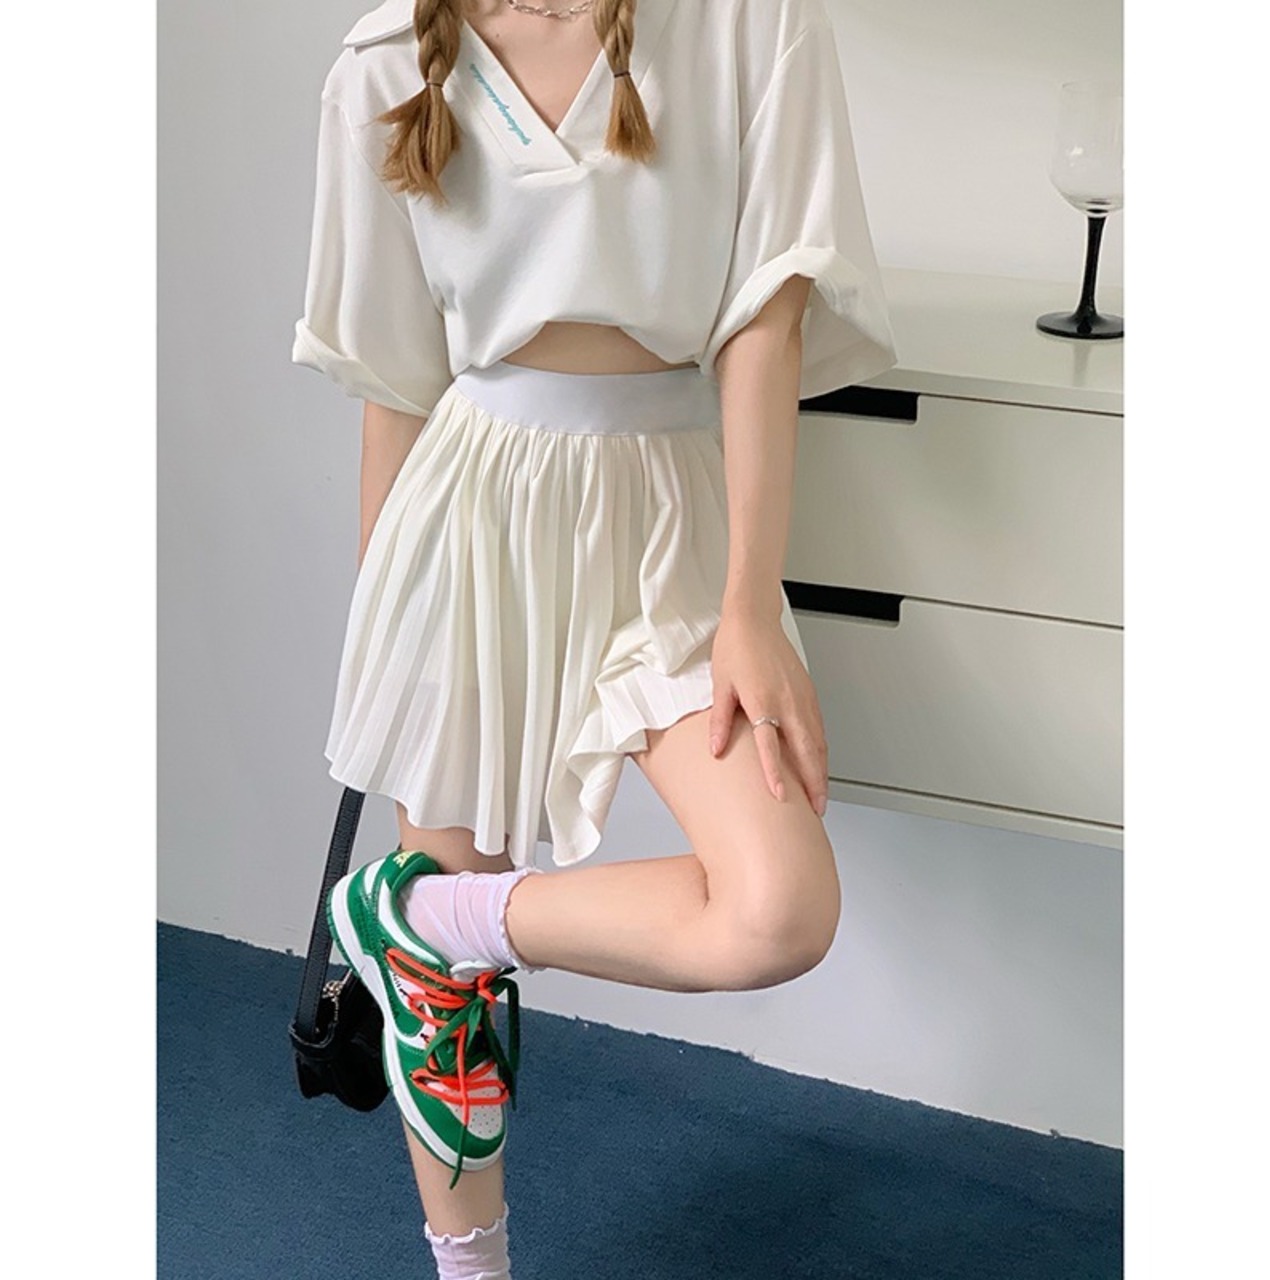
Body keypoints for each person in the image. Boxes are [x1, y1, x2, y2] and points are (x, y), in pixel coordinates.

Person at [292, 0, 898, 1274]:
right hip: (470, 518)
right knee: (447, 1024)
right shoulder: (382, 58)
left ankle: (426, 922)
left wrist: (747, 602)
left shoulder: (749, 20)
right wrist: (383, 623)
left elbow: (766, 319)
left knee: (776, 906)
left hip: (676, 516)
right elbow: (396, 383)